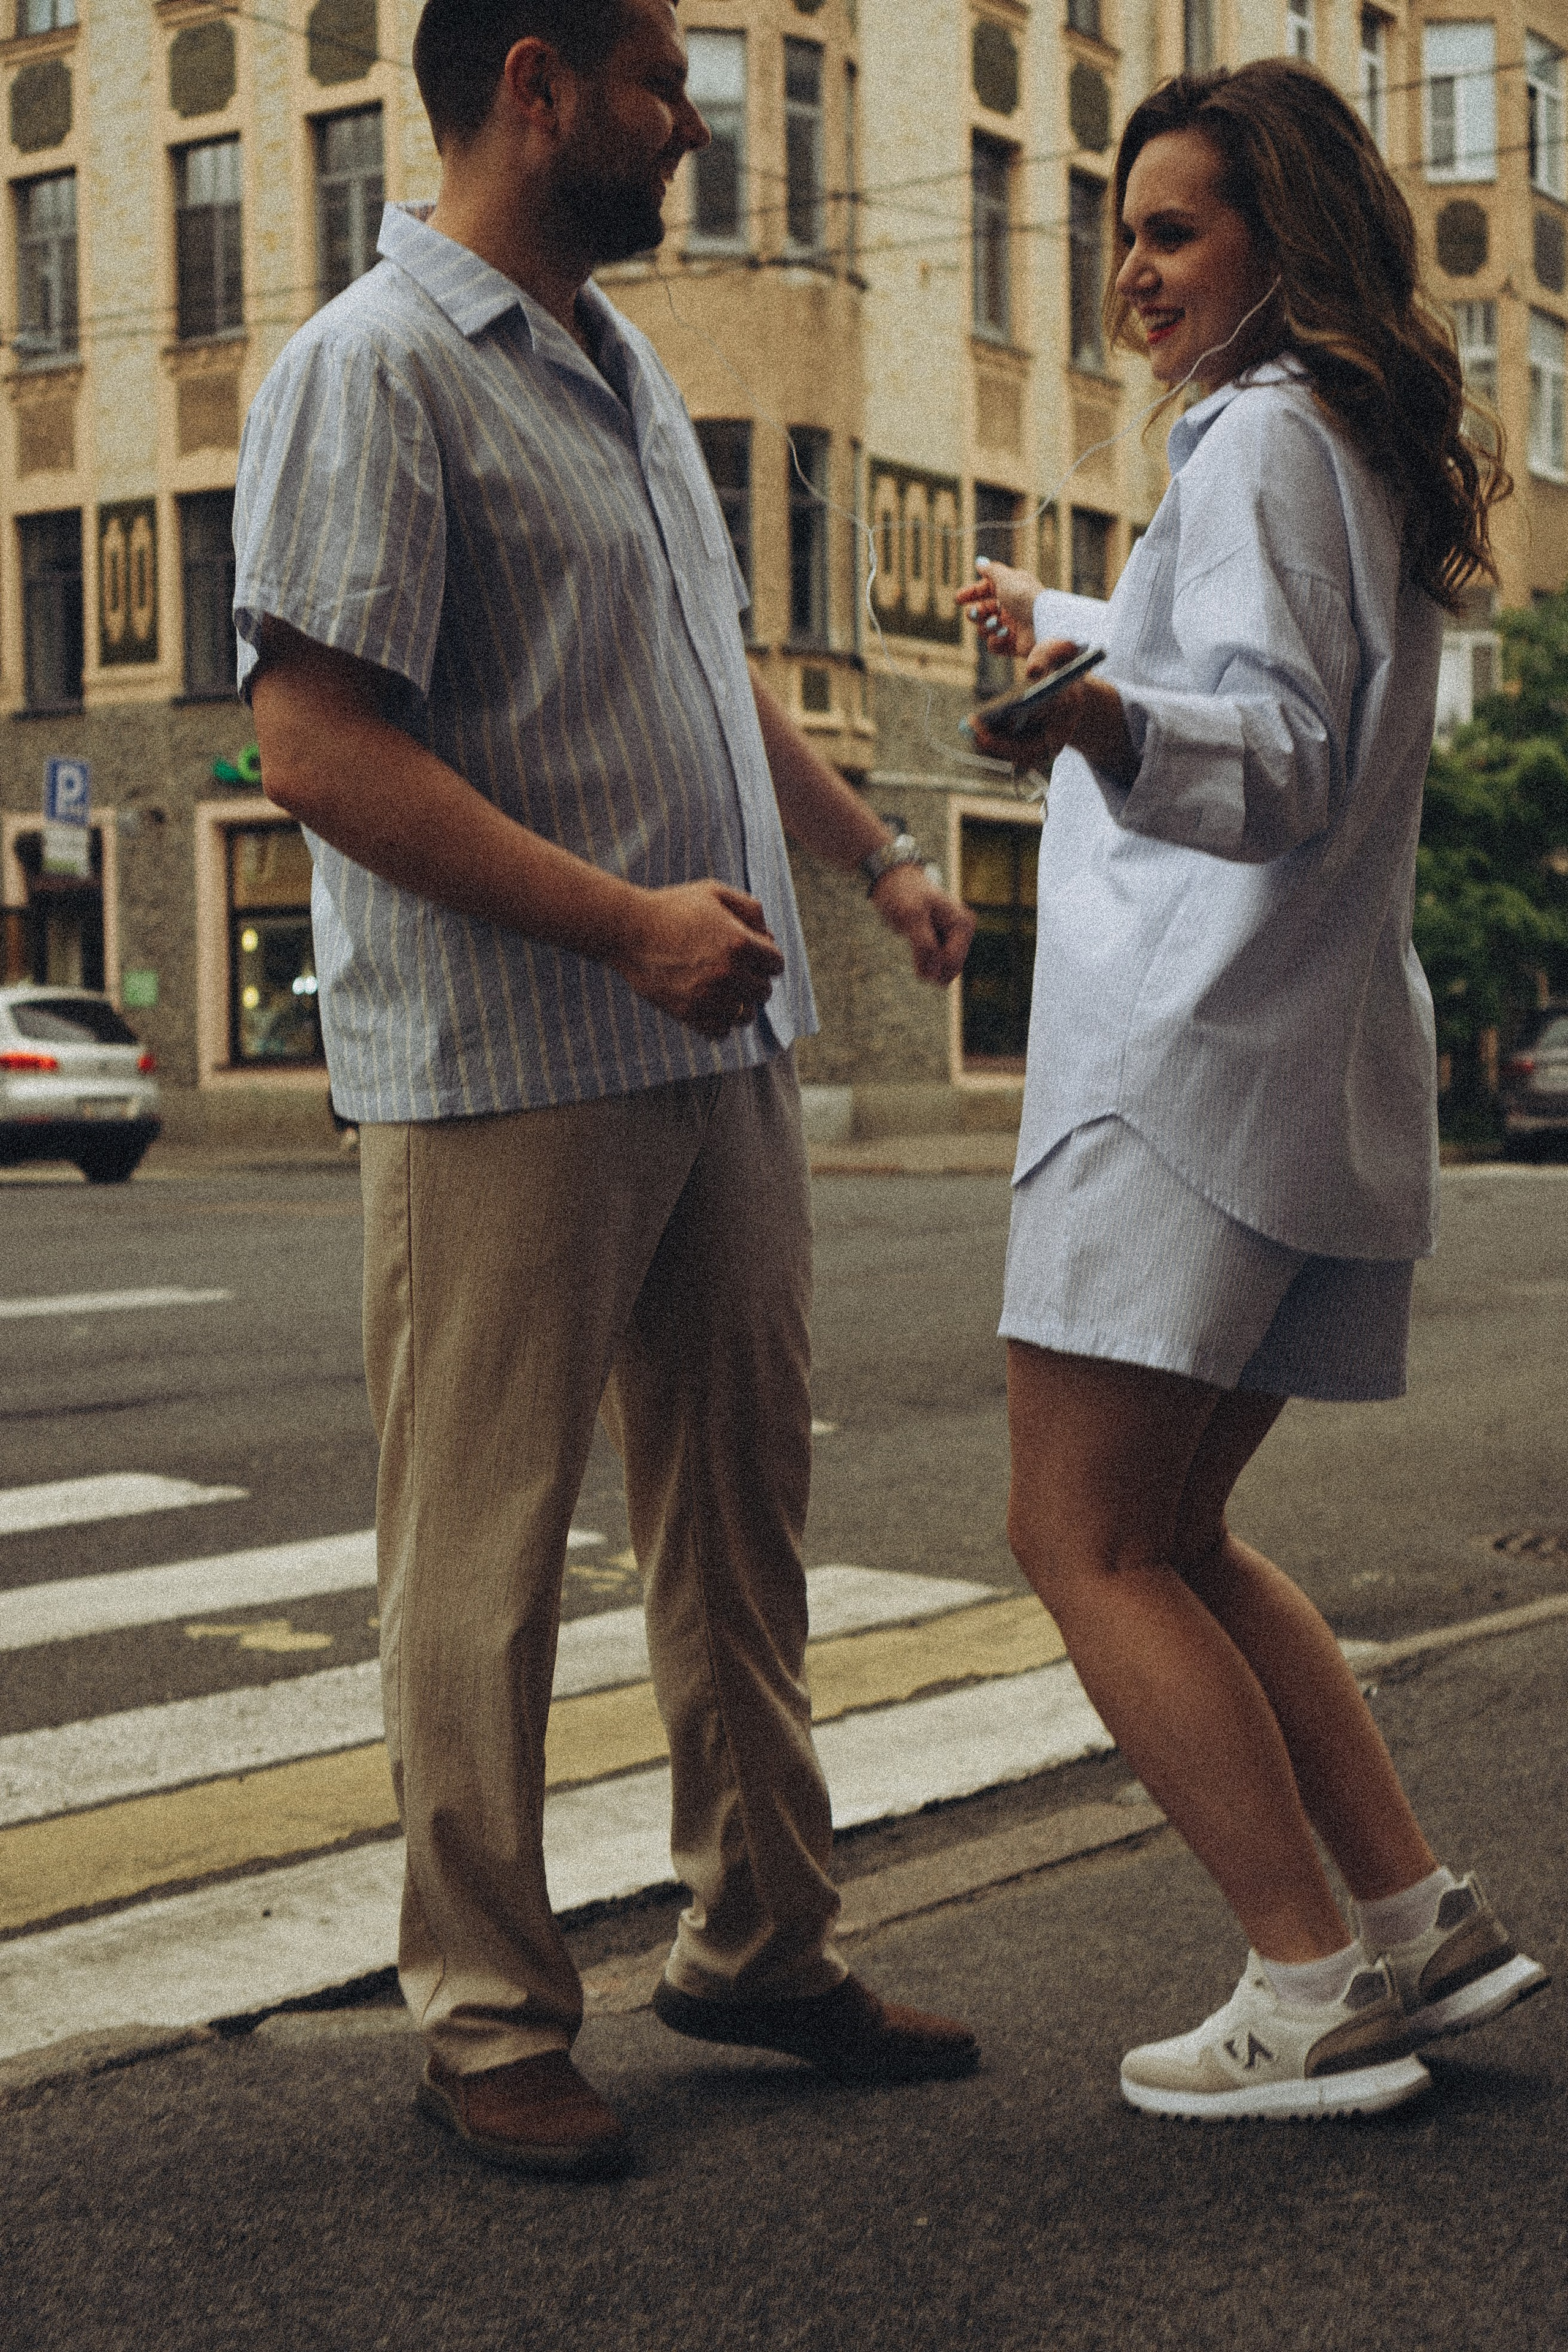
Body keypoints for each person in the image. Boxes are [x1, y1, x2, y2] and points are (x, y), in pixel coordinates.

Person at [236, 0, 978, 2178]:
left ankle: (760, 1943)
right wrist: (626, 926)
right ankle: (484, 2016)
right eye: (662, 80)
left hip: (716, 1043)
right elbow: (319, 751)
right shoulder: (372, 367)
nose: (692, 122)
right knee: (479, 1557)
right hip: (510, 1067)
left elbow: (709, 667)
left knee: (740, 1524)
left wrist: (877, 855)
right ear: (538, 85)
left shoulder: (618, 362)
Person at [960, 59, 1548, 2122]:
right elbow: (1268, 675)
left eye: (1174, 229)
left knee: (1081, 1536)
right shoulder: (1329, 441)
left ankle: (1304, 1986)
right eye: (1121, 232)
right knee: (1185, 1531)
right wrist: (1076, 631)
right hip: (1293, 1065)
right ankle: (1410, 1918)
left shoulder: (1265, 438)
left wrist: (1098, 717)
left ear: (1278, 242)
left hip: (1183, 1068)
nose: (1133, 269)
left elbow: (1272, 750)